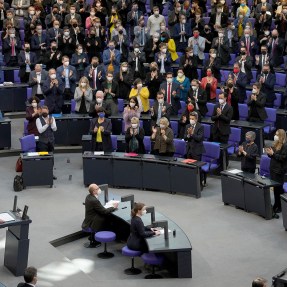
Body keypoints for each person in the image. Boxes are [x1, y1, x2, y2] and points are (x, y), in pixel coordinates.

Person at [265, 129, 287, 213]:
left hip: (279, 170)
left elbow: (283, 158)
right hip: (273, 168)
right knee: (275, 188)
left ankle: (280, 206)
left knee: (279, 189)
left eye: (277, 135)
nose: (275, 136)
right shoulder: (276, 144)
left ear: (281, 136)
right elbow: (273, 156)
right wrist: (269, 153)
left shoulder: (285, 145)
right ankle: (276, 204)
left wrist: (273, 154)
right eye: (275, 134)